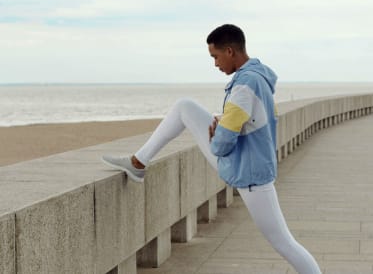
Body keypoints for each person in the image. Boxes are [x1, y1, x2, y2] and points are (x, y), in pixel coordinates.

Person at [102, 24, 322, 274]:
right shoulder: (257, 77)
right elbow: (243, 122)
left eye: (215, 56)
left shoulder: (244, 86)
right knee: (184, 107)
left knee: (285, 243)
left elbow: (221, 145)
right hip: (251, 166)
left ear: (230, 51)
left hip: (248, 174)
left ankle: (138, 163)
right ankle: (138, 162)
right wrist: (225, 124)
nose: (215, 64)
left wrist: (216, 133)